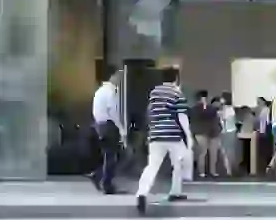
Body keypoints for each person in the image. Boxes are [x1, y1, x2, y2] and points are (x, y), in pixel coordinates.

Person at [135, 67, 192, 215]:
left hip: (156, 134)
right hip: (173, 134)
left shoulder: (154, 92)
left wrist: (151, 129)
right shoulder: (176, 92)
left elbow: (149, 112)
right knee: (179, 163)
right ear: (176, 78)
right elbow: (182, 117)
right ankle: (175, 191)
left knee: (152, 166)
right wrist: (188, 135)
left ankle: (142, 193)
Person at [89, 66, 125, 194]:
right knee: (112, 156)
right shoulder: (111, 92)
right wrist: (121, 129)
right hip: (109, 125)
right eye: (118, 75)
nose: (120, 78)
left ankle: (98, 175)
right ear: (112, 76)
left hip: (100, 125)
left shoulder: (99, 91)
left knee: (109, 155)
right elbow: (114, 112)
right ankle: (106, 183)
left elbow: (95, 111)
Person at [189, 91, 219, 178]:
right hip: (202, 131)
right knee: (203, 152)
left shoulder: (208, 108)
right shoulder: (195, 109)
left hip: (208, 132)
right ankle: (204, 171)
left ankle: (209, 171)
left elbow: (213, 115)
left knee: (208, 152)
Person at [218, 93, 238, 176]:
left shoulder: (227, 109)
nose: (220, 100)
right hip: (229, 131)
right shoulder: (228, 109)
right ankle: (229, 169)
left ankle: (229, 170)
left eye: (221, 98)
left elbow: (225, 119)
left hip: (227, 132)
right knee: (228, 151)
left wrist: (220, 114)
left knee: (227, 151)